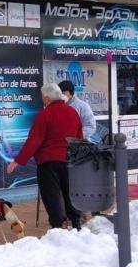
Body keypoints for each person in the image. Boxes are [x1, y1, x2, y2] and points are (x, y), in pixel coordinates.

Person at [6, 83, 83, 229]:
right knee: (70, 193)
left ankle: (57, 225)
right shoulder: (72, 112)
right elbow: (79, 137)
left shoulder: (44, 114)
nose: (42, 99)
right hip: (69, 160)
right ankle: (76, 222)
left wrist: (17, 160)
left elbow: (34, 140)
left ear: (47, 98)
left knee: (51, 195)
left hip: (49, 162)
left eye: (43, 97)